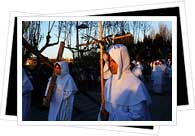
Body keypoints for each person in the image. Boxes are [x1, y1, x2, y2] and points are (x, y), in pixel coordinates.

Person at [99, 44, 152, 121]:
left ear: (122, 60)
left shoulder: (135, 85)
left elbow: (139, 117)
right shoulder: (108, 83)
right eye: (108, 61)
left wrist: (110, 117)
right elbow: (104, 107)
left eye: (113, 61)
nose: (110, 65)